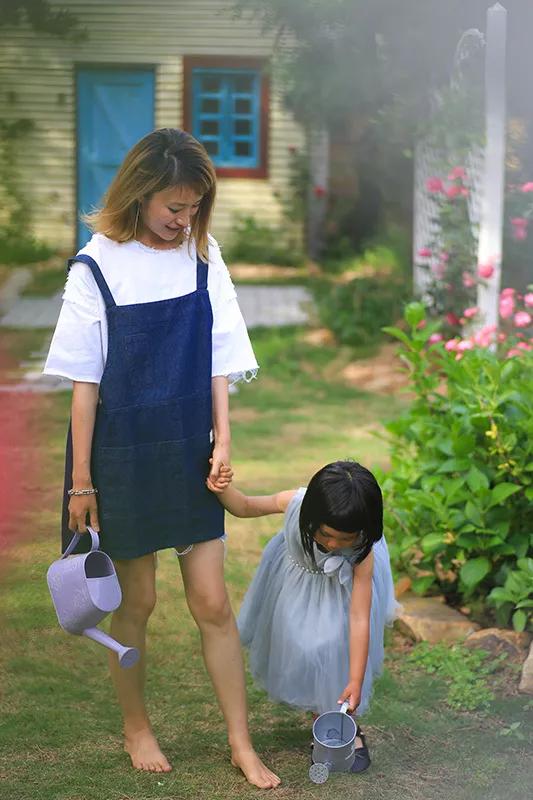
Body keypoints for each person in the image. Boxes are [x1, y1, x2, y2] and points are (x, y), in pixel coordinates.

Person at [43, 128, 280, 789]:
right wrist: (81, 485)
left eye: (194, 208)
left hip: (189, 447)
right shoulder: (95, 266)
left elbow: (222, 357)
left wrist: (223, 440)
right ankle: (135, 726)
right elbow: (83, 387)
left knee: (210, 601)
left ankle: (239, 740)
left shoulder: (203, 257)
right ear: (141, 194)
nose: (184, 220)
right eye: (174, 208)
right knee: (137, 601)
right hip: (119, 457)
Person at [209, 460, 398, 773]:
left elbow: (360, 617)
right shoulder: (296, 504)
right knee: (302, 648)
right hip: (296, 589)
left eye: (345, 539)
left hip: (343, 597)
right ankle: (321, 713)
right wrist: (221, 488)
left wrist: (355, 679)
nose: (335, 545)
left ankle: (338, 722)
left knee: (331, 649)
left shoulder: (363, 548)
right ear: (312, 515)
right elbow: (243, 506)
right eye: (327, 534)